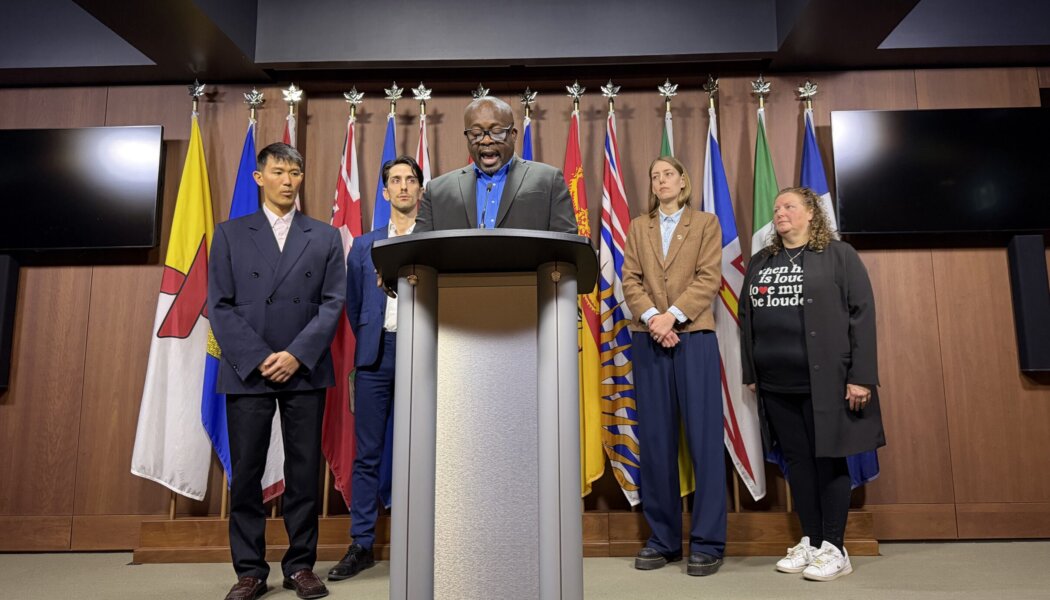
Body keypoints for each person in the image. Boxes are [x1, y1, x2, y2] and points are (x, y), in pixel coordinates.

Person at [209, 142, 345, 600]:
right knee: (246, 473)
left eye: (295, 173)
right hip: (248, 369)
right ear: (259, 178)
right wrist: (259, 357)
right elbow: (220, 306)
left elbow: (332, 304)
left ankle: (300, 565)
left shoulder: (324, 236)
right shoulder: (229, 234)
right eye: (279, 172)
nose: (288, 180)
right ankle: (249, 570)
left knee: (304, 472)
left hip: (304, 368)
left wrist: (296, 355)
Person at [740, 186, 885, 582]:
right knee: (799, 463)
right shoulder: (761, 260)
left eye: (789, 206)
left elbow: (862, 316)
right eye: (776, 209)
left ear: (811, 213)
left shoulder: (839, 256)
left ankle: (836, 548)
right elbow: (746, 318)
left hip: (827, 382)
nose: (780, 213)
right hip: (775, 383)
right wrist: (752, 374)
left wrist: (861, 377)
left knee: (829, 460)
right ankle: (812, 540)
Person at [622, 156, 726, 576]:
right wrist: (653, 319)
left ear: (683, 181)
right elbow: (630, 279)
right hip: (650, 342)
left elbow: (709, 277)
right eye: (654, 176)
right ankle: (663, 540)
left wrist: (673, 317)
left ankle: (707, 542)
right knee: (658, 443)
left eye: (668, 174)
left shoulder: (705, 223)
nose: (660, 181)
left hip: (694, 338)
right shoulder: (636, 227)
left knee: (703, 443)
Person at [328, 156, 422, 582]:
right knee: (367, 455)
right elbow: (353, 302)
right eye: (395, 181)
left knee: (421, 454)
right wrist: (373, 336)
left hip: (424, 355)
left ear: (420, 189)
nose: (403, 187)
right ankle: (362, 544)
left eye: (410, 180)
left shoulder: (434, 239)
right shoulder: (364, 246)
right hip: (375, 356)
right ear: (384, 192)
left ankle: (420, 541)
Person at [414, 95, 576, 233]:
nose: (485, 140)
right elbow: (419, 254)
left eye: (497, 132)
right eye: (476, 134)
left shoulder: (548, 181)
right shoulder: (437, 191)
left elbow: (567, 247)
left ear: (513, 135)